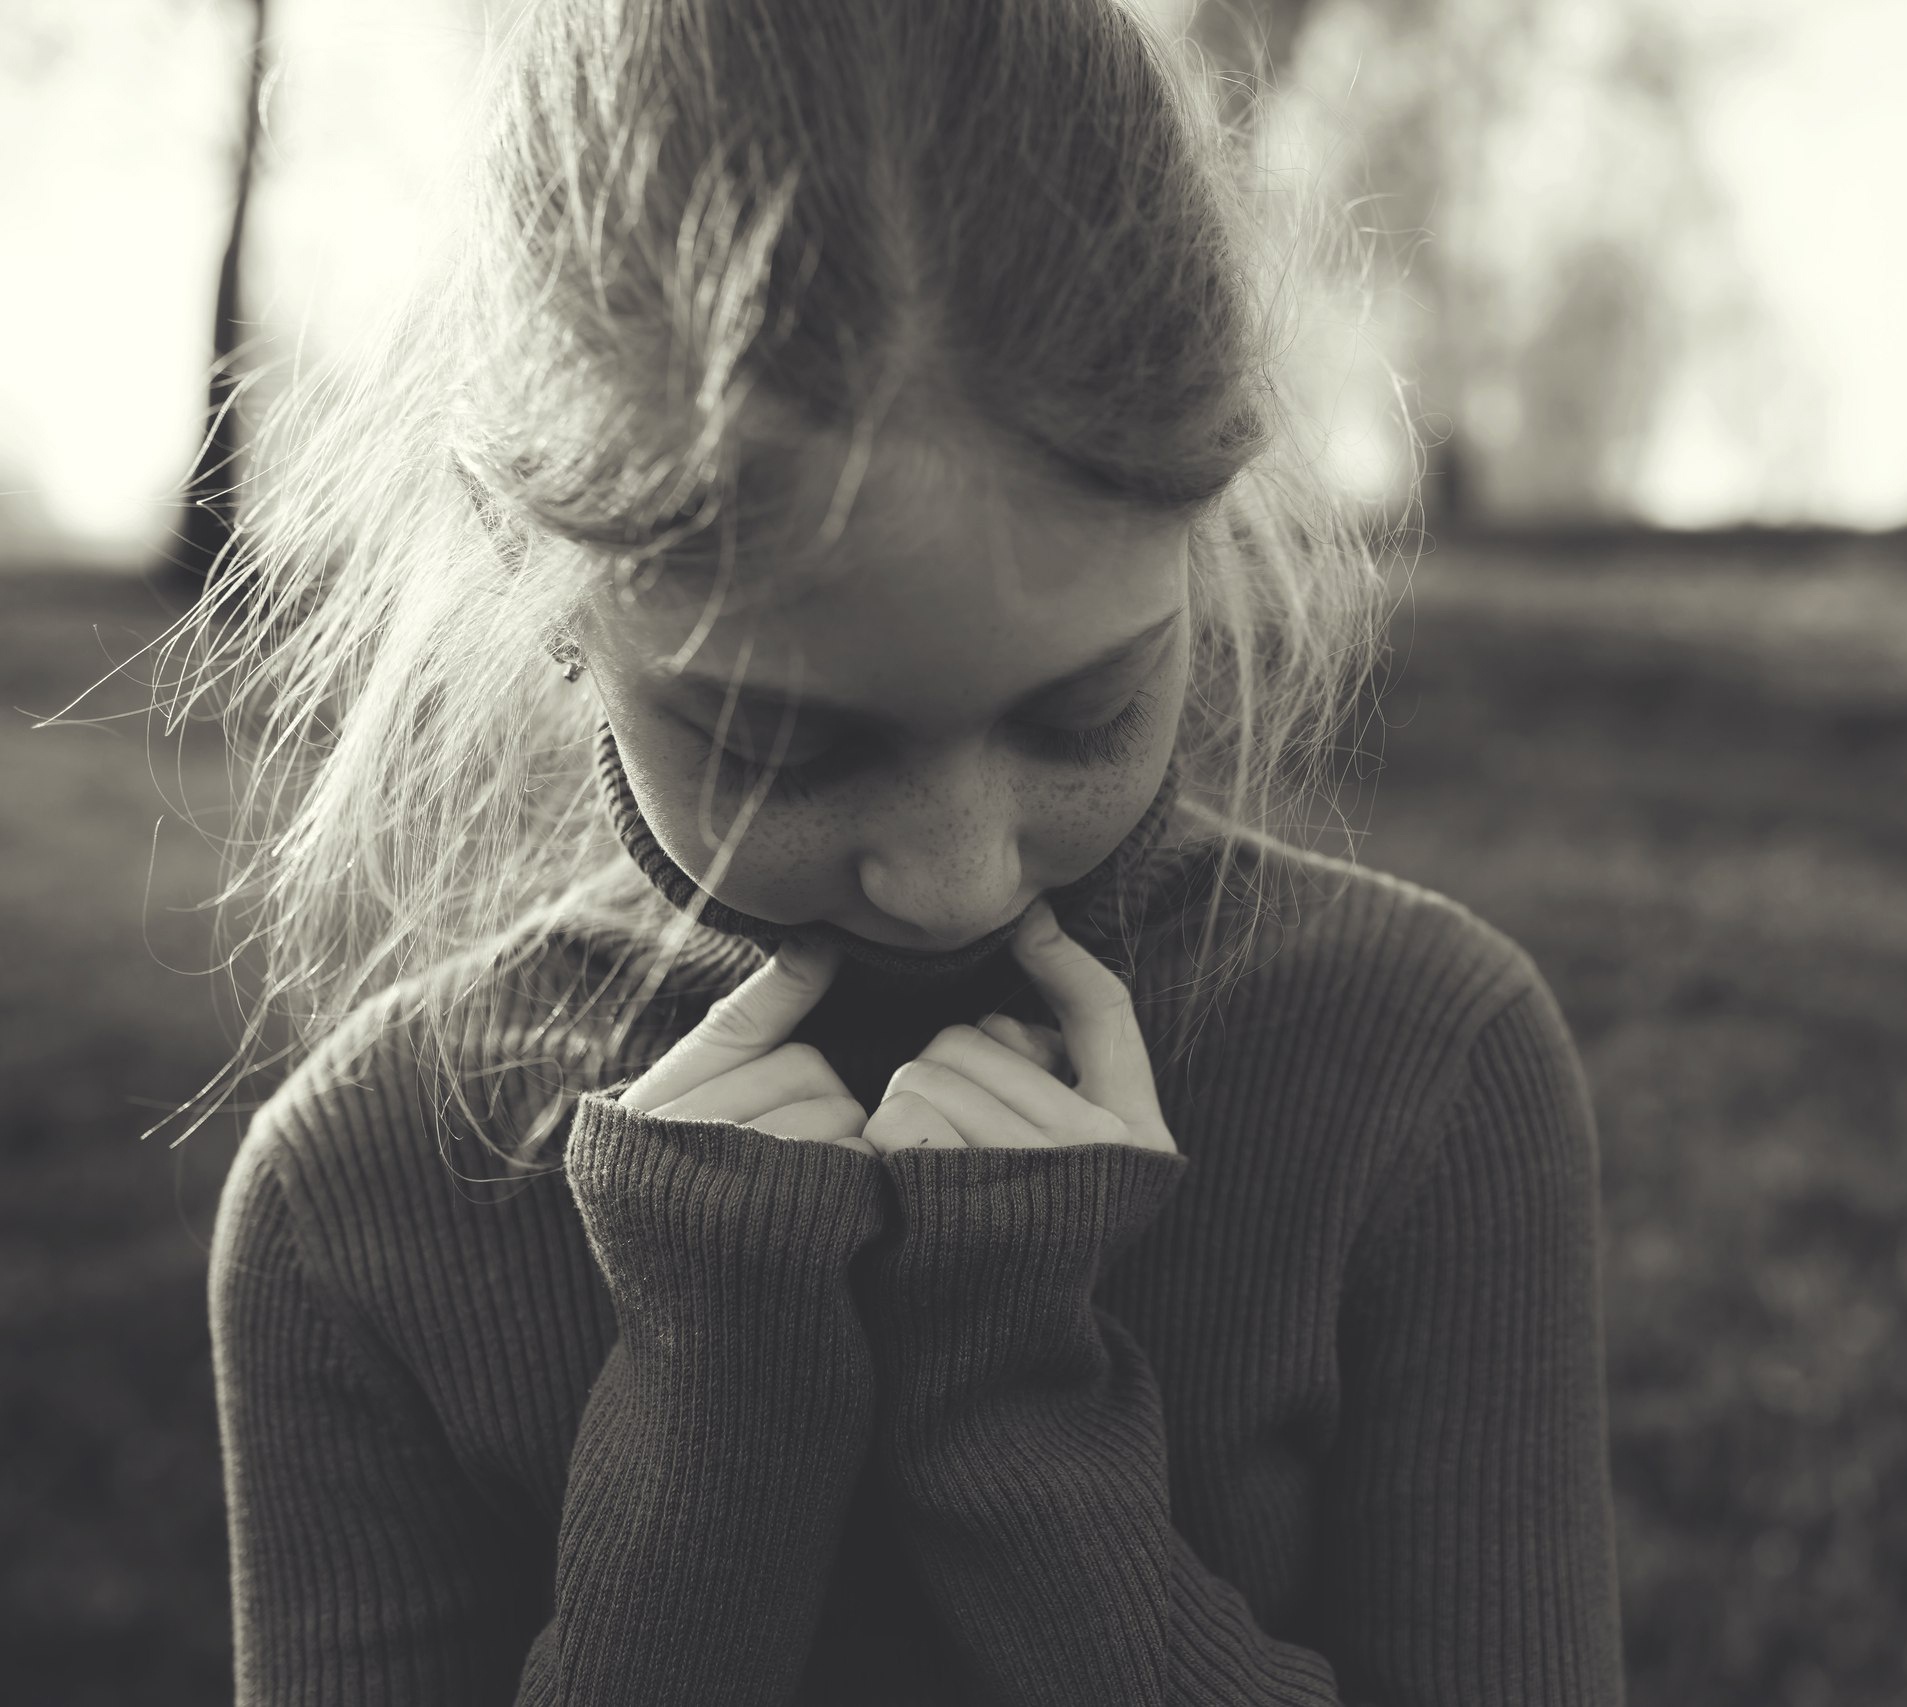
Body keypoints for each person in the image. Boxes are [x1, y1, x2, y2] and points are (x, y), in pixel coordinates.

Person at [188, 0, 1624, 1700]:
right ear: (536, 566)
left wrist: (1021, 1431)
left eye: (1082, 716)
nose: (956, 877)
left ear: (1205, 515)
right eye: (789, 748)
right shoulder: (352, 1206)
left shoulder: (1423, 1077)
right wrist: (714, 1453)